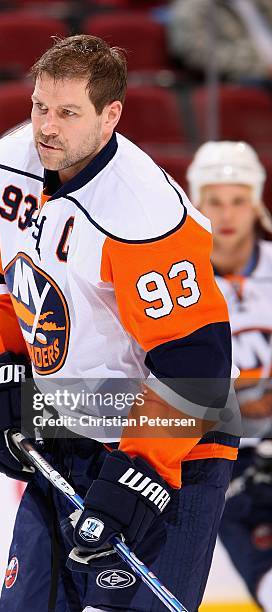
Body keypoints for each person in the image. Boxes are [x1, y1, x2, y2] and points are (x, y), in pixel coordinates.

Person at [0, 35, 239, 612]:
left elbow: (195, 364)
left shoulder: (143, 213)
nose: (46, 128)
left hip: (173, 452)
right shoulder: (10, 166)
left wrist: (138, 473)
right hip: (66, 431)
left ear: (111, 115)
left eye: (67, 113)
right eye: (39, 106)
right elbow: (7, 282)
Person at [187, 141, 272, 611]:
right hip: (222, 464)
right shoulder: (178, 281)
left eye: (238, 200)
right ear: (196, 203)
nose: (227, 215)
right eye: (215, 201)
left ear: (255, 201)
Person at [169, 0, 272, 82]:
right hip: (241, 77)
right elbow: (193, 52)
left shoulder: (259, 3)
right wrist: (262, 67)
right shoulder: (193, 5)